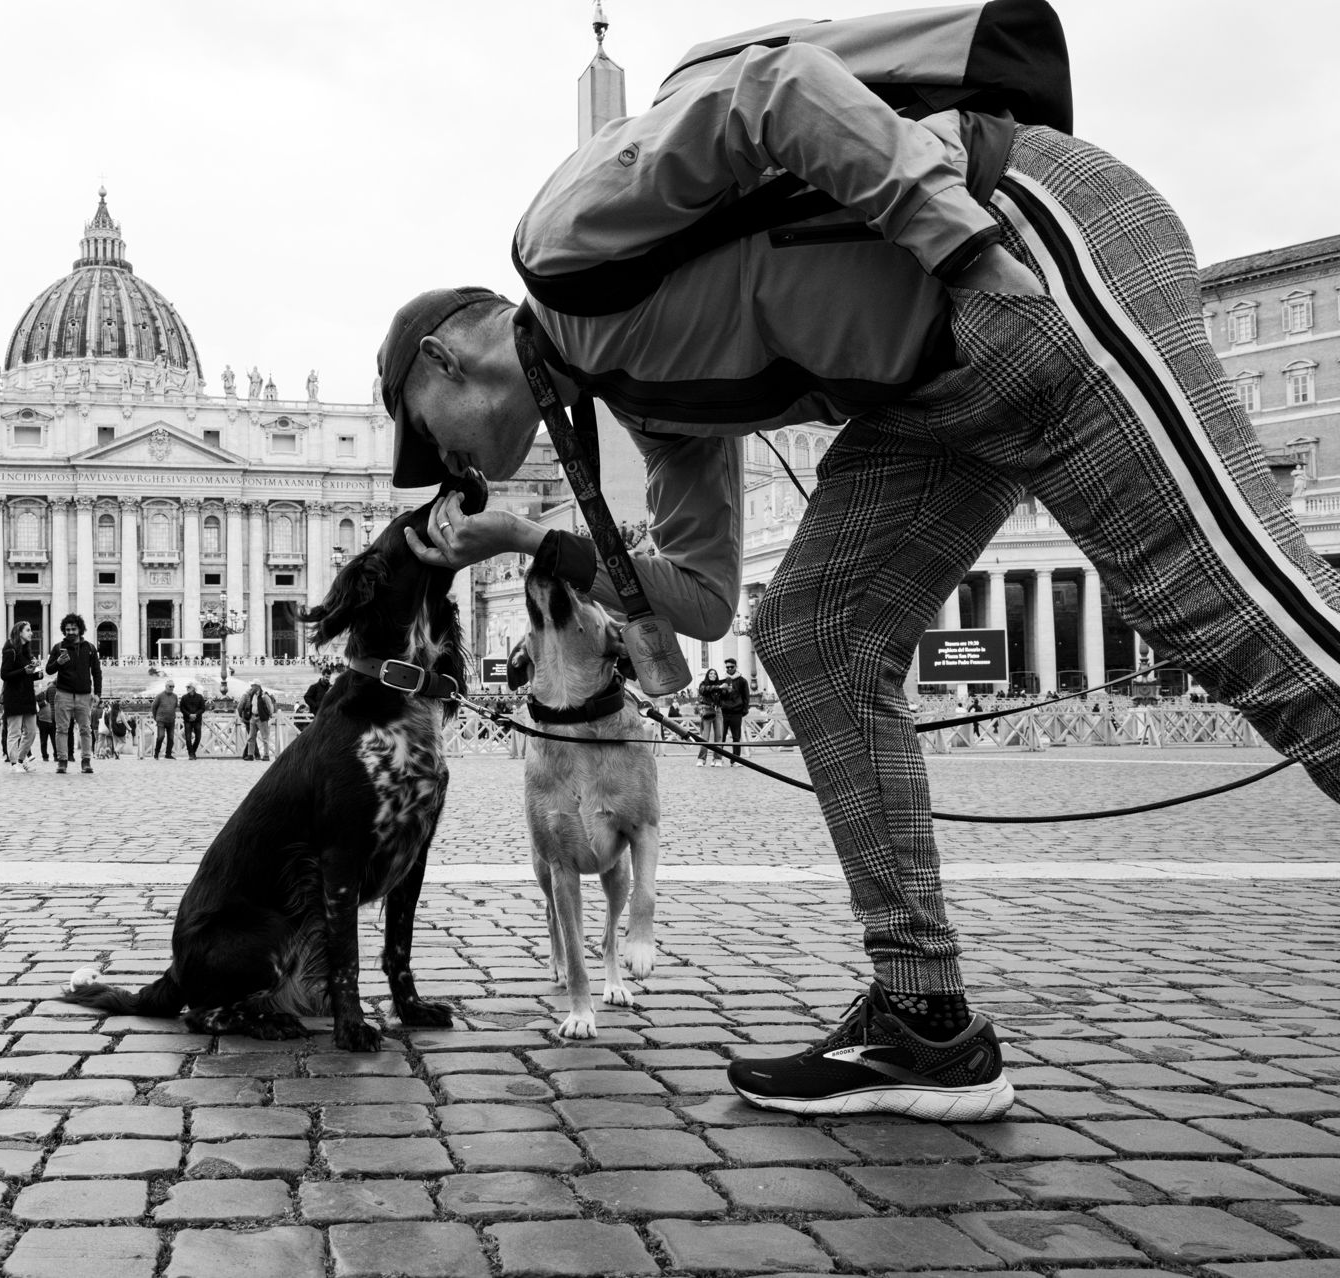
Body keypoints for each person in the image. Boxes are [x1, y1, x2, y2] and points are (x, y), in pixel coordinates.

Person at [377, 15, 1340, 1120]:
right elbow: (702, 609)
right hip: (930, 387)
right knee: (815, 635)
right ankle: (923, 1018)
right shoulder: (639, 402)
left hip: (1021, 253)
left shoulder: (556, 240)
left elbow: (775, 90)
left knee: (1238, 621)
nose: (439, 466)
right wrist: (535, 541)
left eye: (423, 430)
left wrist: (962, 242)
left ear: (446, 358)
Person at [45, 613, 101, 774]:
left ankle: (86, 760)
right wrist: (58, 662)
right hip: (63, 693)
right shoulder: (57, 648)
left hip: (84, 695)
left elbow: (97, 672)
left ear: (80, 629)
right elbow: (49, 670)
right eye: (67, 629)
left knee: (85, 729)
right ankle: (62, 761)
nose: (70, 632)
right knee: (61, 729)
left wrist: (97, 693)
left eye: (73, 629)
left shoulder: (89, 648)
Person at [0, 621, 41, 773]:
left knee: (31, 731)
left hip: (28, 695)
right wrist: (24, 671)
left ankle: (21, 760)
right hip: (14, 696)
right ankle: (13, 763)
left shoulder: (26, 651)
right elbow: (4, 674)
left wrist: (38, 671)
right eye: (28, 630)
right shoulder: (10, 649)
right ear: (20, 632)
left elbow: (31, 675)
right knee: (14, 732)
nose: (31, 633)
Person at [719, 658, 751, 767]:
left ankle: (735, 760)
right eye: (727, 667)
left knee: (736, 737)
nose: (729, 669)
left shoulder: (742, 680)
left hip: (736, 712)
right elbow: (718, 696)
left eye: (731, 667)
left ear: (735, 667)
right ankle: (718, 758)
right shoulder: (722, 680)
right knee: (721, 736)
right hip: (723, 711)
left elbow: (746, 696)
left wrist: (744, 710)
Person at [695, 667, 725, 767]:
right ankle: (701, 759)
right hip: (707, 710)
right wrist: (718, 687)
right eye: (711, 674)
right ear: (707, 675)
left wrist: (726, 686)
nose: (713, 675)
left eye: (715, 674)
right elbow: (704, 690)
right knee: (705, 736)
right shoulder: (703, 684)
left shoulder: (720, 686)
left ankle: (717, 759)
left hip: (718, 710)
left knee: (719, 735)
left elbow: (726, 696)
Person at [239, 681, 273, 760]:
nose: (252, 687)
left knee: (265, 737)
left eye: (253, 686)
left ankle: (266, 755)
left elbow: (269, 706)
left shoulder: (264, 696)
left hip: (261, 718)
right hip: (253, 717)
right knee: (251, 737)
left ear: (257, 686)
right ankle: (250, 755)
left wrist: (269, 715)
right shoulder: (252, 695)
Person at [150, 680, 179, 759]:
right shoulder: (159, 696)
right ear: (166, 686)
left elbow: (175, 706)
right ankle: (156, 753)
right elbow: (153, 707)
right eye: (170, 686)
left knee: (171, 738)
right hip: (161, 720)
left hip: (171, 720)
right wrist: (155, 717)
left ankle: (168, 754)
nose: (172, 688)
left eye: (173, 686)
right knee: (161, 736)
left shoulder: (175, 696)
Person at [179, 680, 207, 760]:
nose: (187, 688)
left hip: (197, 720)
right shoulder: (184, 697)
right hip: (188, 720)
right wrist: (189, 715)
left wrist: (196, 714)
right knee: (188, 738)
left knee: (198, 737)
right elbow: (182, 708)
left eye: (189, 687)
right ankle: (191, 754)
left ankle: (192, 752)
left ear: (193, 688)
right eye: (187, 687)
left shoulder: (200, 697)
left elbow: (203, 708)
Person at [35, 684, 56, 763]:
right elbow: (35, 707)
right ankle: (45, 756)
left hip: (52, 721)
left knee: (54, 740)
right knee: (43, 740)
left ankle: (56, 756)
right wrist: (42, 703)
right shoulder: (40, 696)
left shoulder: (55, 695)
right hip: (42, 721)